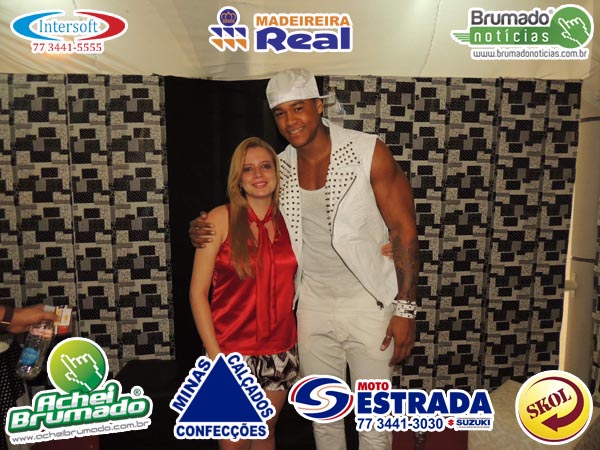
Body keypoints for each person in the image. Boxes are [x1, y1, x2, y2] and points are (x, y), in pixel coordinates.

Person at [189, 69, 419, 450]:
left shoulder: (367, 151)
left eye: (298, 108)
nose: (290, 120)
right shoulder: (277, 168)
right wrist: (201, 229)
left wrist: (406, 309)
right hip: (311, 309)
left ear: (318, 106)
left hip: (369, 304)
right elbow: (243, 210)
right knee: (323, 419)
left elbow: (404, 230)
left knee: (374, 422)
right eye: (280, 113)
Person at [189, 136, 299, 450]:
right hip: (230, 350)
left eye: (266, 166)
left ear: (277, 172)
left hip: (280, 348)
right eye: (248, 169)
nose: (258, 174)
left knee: (266, 432)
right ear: (238, 178)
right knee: (234, 443)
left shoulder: (292, 220)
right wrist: (216, 358)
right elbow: (197, 293)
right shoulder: (219, 219)